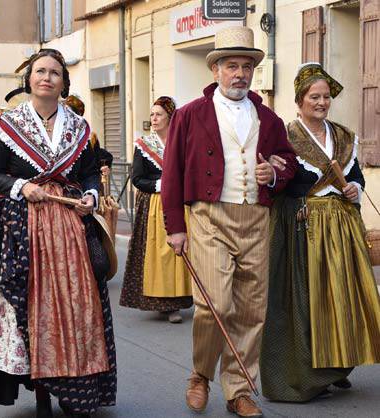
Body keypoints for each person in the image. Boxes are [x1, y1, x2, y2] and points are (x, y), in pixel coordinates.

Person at [0, 49, 116, 418]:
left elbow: (87, 172)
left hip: (70, 228)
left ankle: (75, 388)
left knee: (77, 307)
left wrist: (90, 194)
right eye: (40, 71)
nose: (47, 78)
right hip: (23, 228)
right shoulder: (8, 126)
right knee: (31, 307)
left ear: (64, 82)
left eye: (54, 72)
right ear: (29, 79)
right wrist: (21, 185)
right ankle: (40, 391)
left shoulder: (79, 128)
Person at [161, 27, 297, 417]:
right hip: (209, 217)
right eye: (231, 65)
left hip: (256, 217)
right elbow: (171, 173)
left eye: (246, 66)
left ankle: (239, 389)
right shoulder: (189, 115)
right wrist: (175, 226)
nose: (240, 73)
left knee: (252, 309)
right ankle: (200, 375)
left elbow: (285, 163)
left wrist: (273, 175)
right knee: (214, 304)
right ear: (216, 70)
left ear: (254, 70)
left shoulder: (269, 119)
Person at [260, 62, 380, 402]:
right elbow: (279, 183)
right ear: (299, 100)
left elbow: (356, 174)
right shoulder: (286, 136)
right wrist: (272, 174)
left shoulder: (342, 136)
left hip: (341, 228)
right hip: (303, 227)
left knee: (342, 299)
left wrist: (355, 185)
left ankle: (338, 365)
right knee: (307, 300)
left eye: (326, 96)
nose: (322, 102)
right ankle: (308, 374)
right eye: (315, 96)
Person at [120, 96, 192, 323]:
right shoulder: (144, 145)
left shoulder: (182, 142)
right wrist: (162, 185)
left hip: (179, 204)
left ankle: (177, 302)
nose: (153, 118)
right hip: (153, 205)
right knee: (158, 255)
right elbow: (138, 178)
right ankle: (162, 302)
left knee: (178, 253)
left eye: (158, 114)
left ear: (170, 117)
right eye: (152, 114)